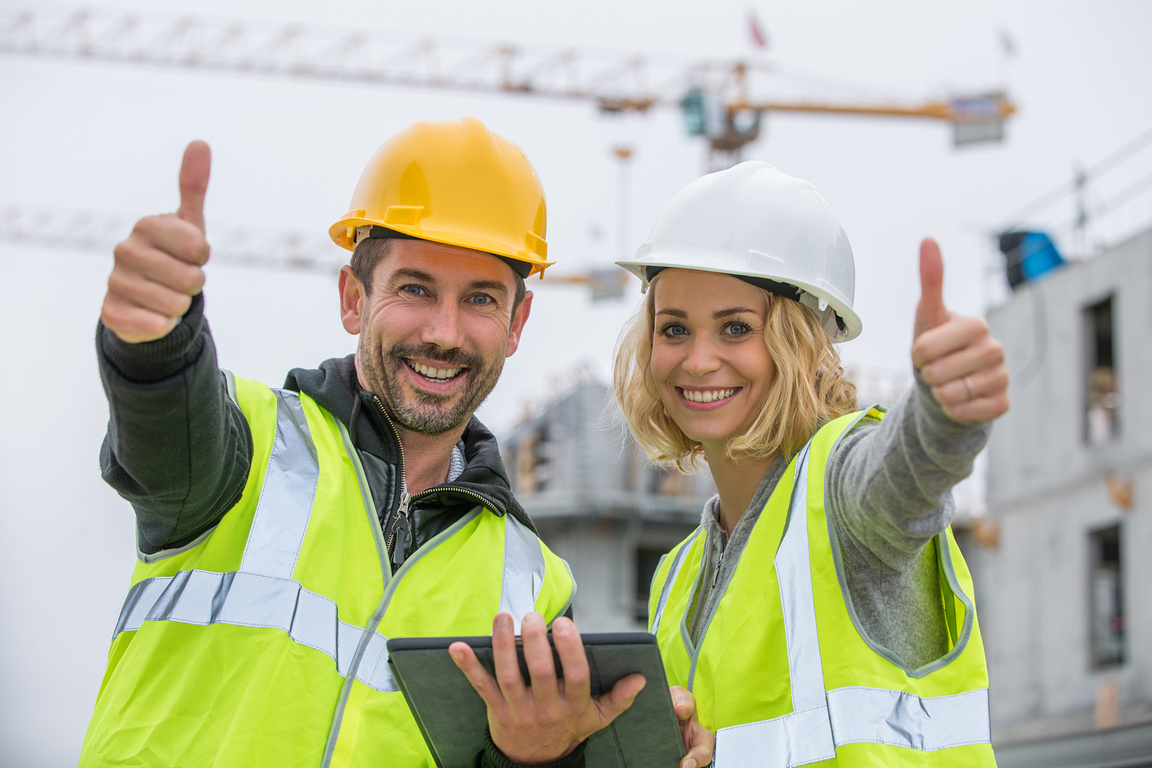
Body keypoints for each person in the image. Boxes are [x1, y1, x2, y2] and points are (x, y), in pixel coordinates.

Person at [81, 117, 711, 768]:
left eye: (480, 299)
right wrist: (158, 338)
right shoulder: (244, 449)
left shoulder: (534, 585)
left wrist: (535, 758)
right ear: (354, 299)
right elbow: (163, 419)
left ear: (517, 323)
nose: (444, 331)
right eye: (415, 288)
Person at [612, 161, 1008, 766]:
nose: (696, 361)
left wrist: (941, 415)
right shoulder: (676, 579)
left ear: (798, 345)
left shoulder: (842, 495)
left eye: (735, 328)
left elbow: (900, 481)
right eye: (673, 329)